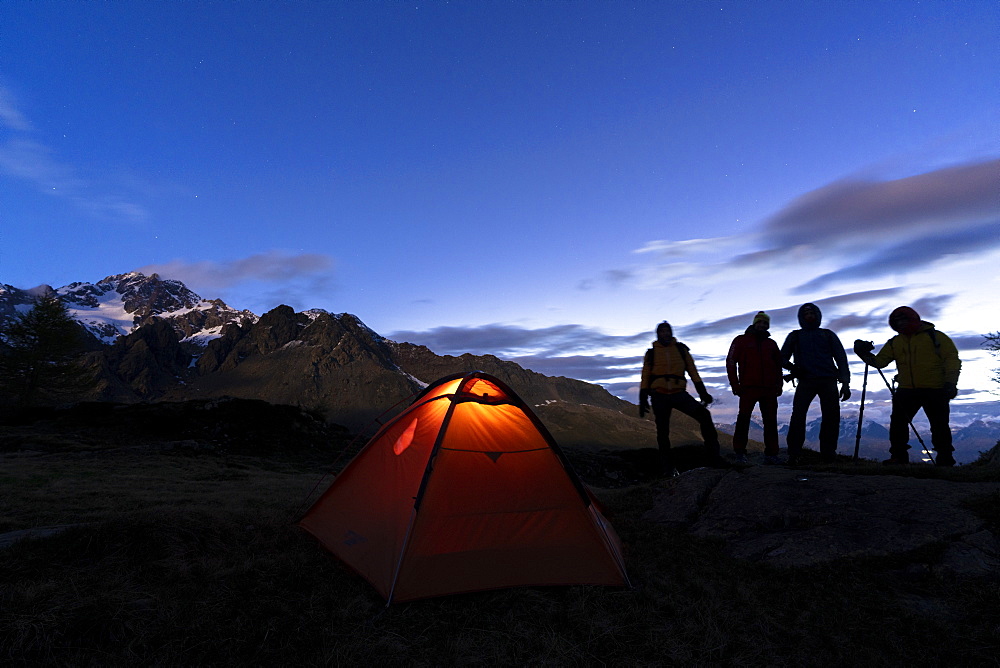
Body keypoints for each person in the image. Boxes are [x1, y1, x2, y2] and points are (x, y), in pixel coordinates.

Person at [853, 306, 961, 466]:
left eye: (904, 320)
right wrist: (864, 354)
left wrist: (950, 382)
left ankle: (943, 458)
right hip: (912, 389)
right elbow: (880, 362)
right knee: (900, 424)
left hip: (934, 388)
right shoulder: (896, 342)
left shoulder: (935, 337)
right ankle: (902, 456)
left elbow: (952, 359)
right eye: (898, 321)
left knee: (937, 425)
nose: (901, 324)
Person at [639, 321, 722, 475]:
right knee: (663, 432)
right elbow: (645, 375)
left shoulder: (681, 349)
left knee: (704, 416)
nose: (665, 334)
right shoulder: (651, 353)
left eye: (667, 331)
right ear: (658, 334)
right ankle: (668, 469)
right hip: (659, 395)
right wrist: (643, 397)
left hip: (678, 394)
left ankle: (714, 458)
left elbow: (693, 371)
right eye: (662, 331)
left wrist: (702, 393)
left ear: (671, 333)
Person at [780, 303, 851, 464]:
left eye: (812, 312)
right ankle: (795, 452)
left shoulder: (827, 335)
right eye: (806, 313)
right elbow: (781, 358)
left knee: (829, 417)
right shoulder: (796, 336)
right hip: (808, 381)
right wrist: (794, 368)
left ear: (818, 315)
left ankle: (827, 453)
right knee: (799, 416)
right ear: (801, 317)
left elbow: (841, 359)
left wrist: (845, 383)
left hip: (827, 381)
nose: (809, 315)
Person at [726, 311, 784, 464]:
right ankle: (740, 453)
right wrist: (735, 384)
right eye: (760, 322)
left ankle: (772, 454)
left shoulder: (771, 344)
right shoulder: (741, 340)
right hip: (748, 388)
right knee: (743, 420)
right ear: (754, 323)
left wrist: (779, 384)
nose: (762, 325)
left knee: (771, 422)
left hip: (769, 389)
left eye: (765, 323)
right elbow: (731, 362)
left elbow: (778, 366)